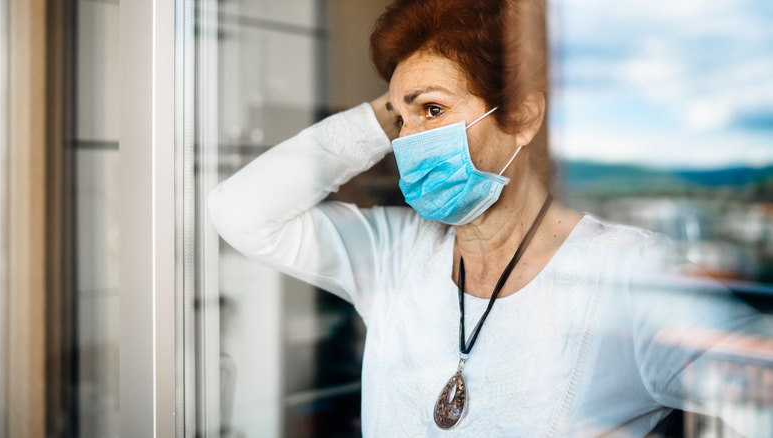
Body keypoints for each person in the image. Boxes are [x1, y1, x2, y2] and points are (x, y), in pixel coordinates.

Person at [209, 0, 773, 435]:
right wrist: (395, 102)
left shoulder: (628, 275)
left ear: (523, 116)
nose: (409, 141)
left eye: (433, 111)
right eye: (401, 122)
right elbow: (241, 212)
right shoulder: (393, 253)